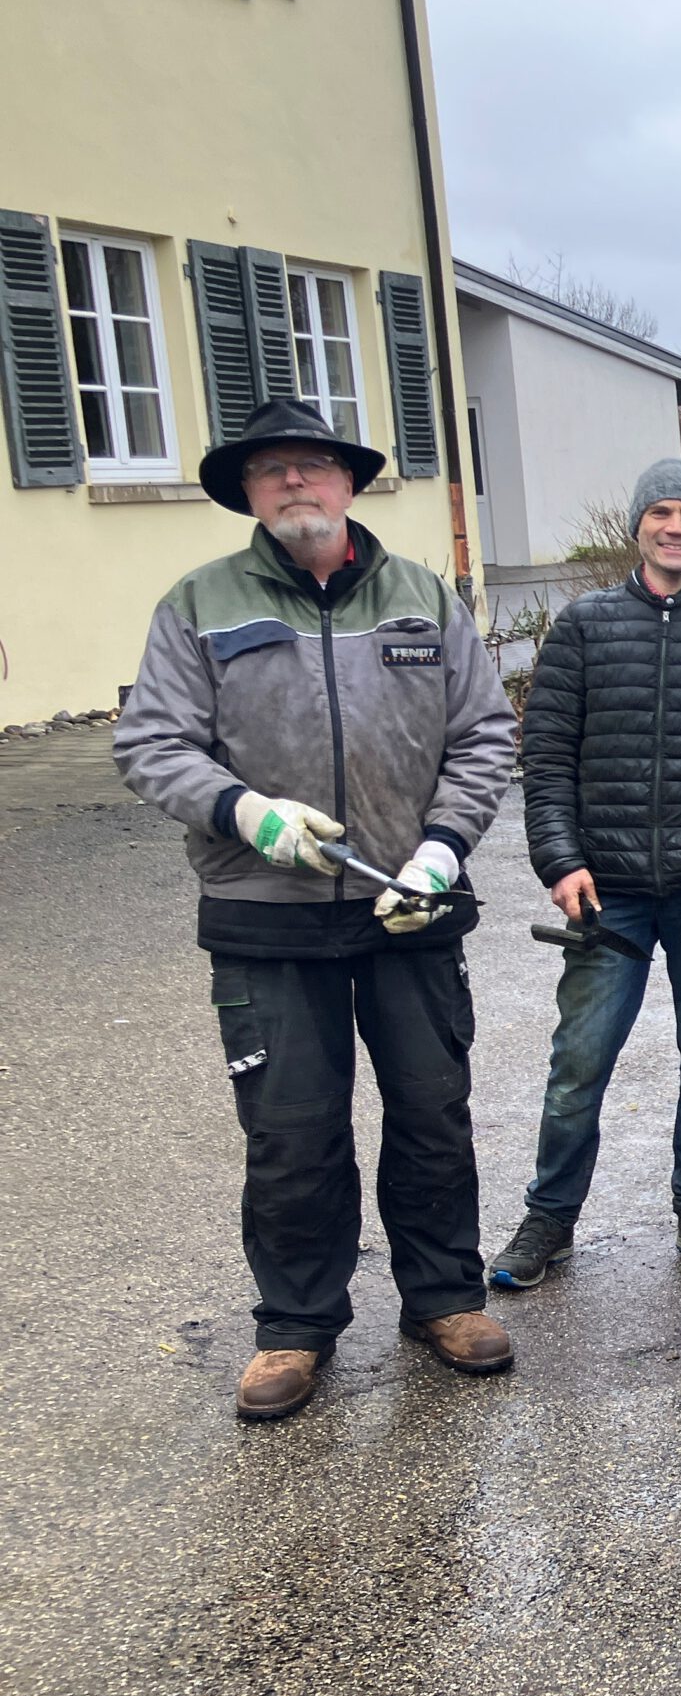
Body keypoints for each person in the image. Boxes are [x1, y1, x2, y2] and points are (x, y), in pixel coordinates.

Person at [114, 396, 519, 1421]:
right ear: (246, 493)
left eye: (313, 465)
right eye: (271, 470)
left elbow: (483, 736)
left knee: (432, 1115)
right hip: (266, 915)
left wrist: (441, 849)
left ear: (348, 482)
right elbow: (150, 742)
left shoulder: (423, 596)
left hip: (408, 911)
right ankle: (295, 1326)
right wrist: (241, 811)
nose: (295, 482)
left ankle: (443, 1299)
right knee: (292, 1131)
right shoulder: (198, 604)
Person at [490, 459, 681, 1290]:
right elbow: (546, 759)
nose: (676, 527)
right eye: (660, 512)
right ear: (638, 526)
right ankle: (549, 1219)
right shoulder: (584, 628)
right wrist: (561, 861)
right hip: (608, 894)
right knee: (578, 1063)